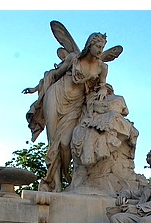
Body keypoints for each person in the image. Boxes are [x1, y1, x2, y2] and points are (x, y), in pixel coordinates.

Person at [24, 32, 110, 192]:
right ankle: (54, 184)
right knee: (53, 142)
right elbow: (55, 75)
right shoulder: (73, 58)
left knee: (65, 144)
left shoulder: (102, 67)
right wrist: (37, 89)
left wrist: (103, 88)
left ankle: (66, 178)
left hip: (75, 105)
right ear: (89, 45)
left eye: (102, 47)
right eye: (98, 46)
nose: (100, 50)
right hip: (56, 96)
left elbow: (103, 84)